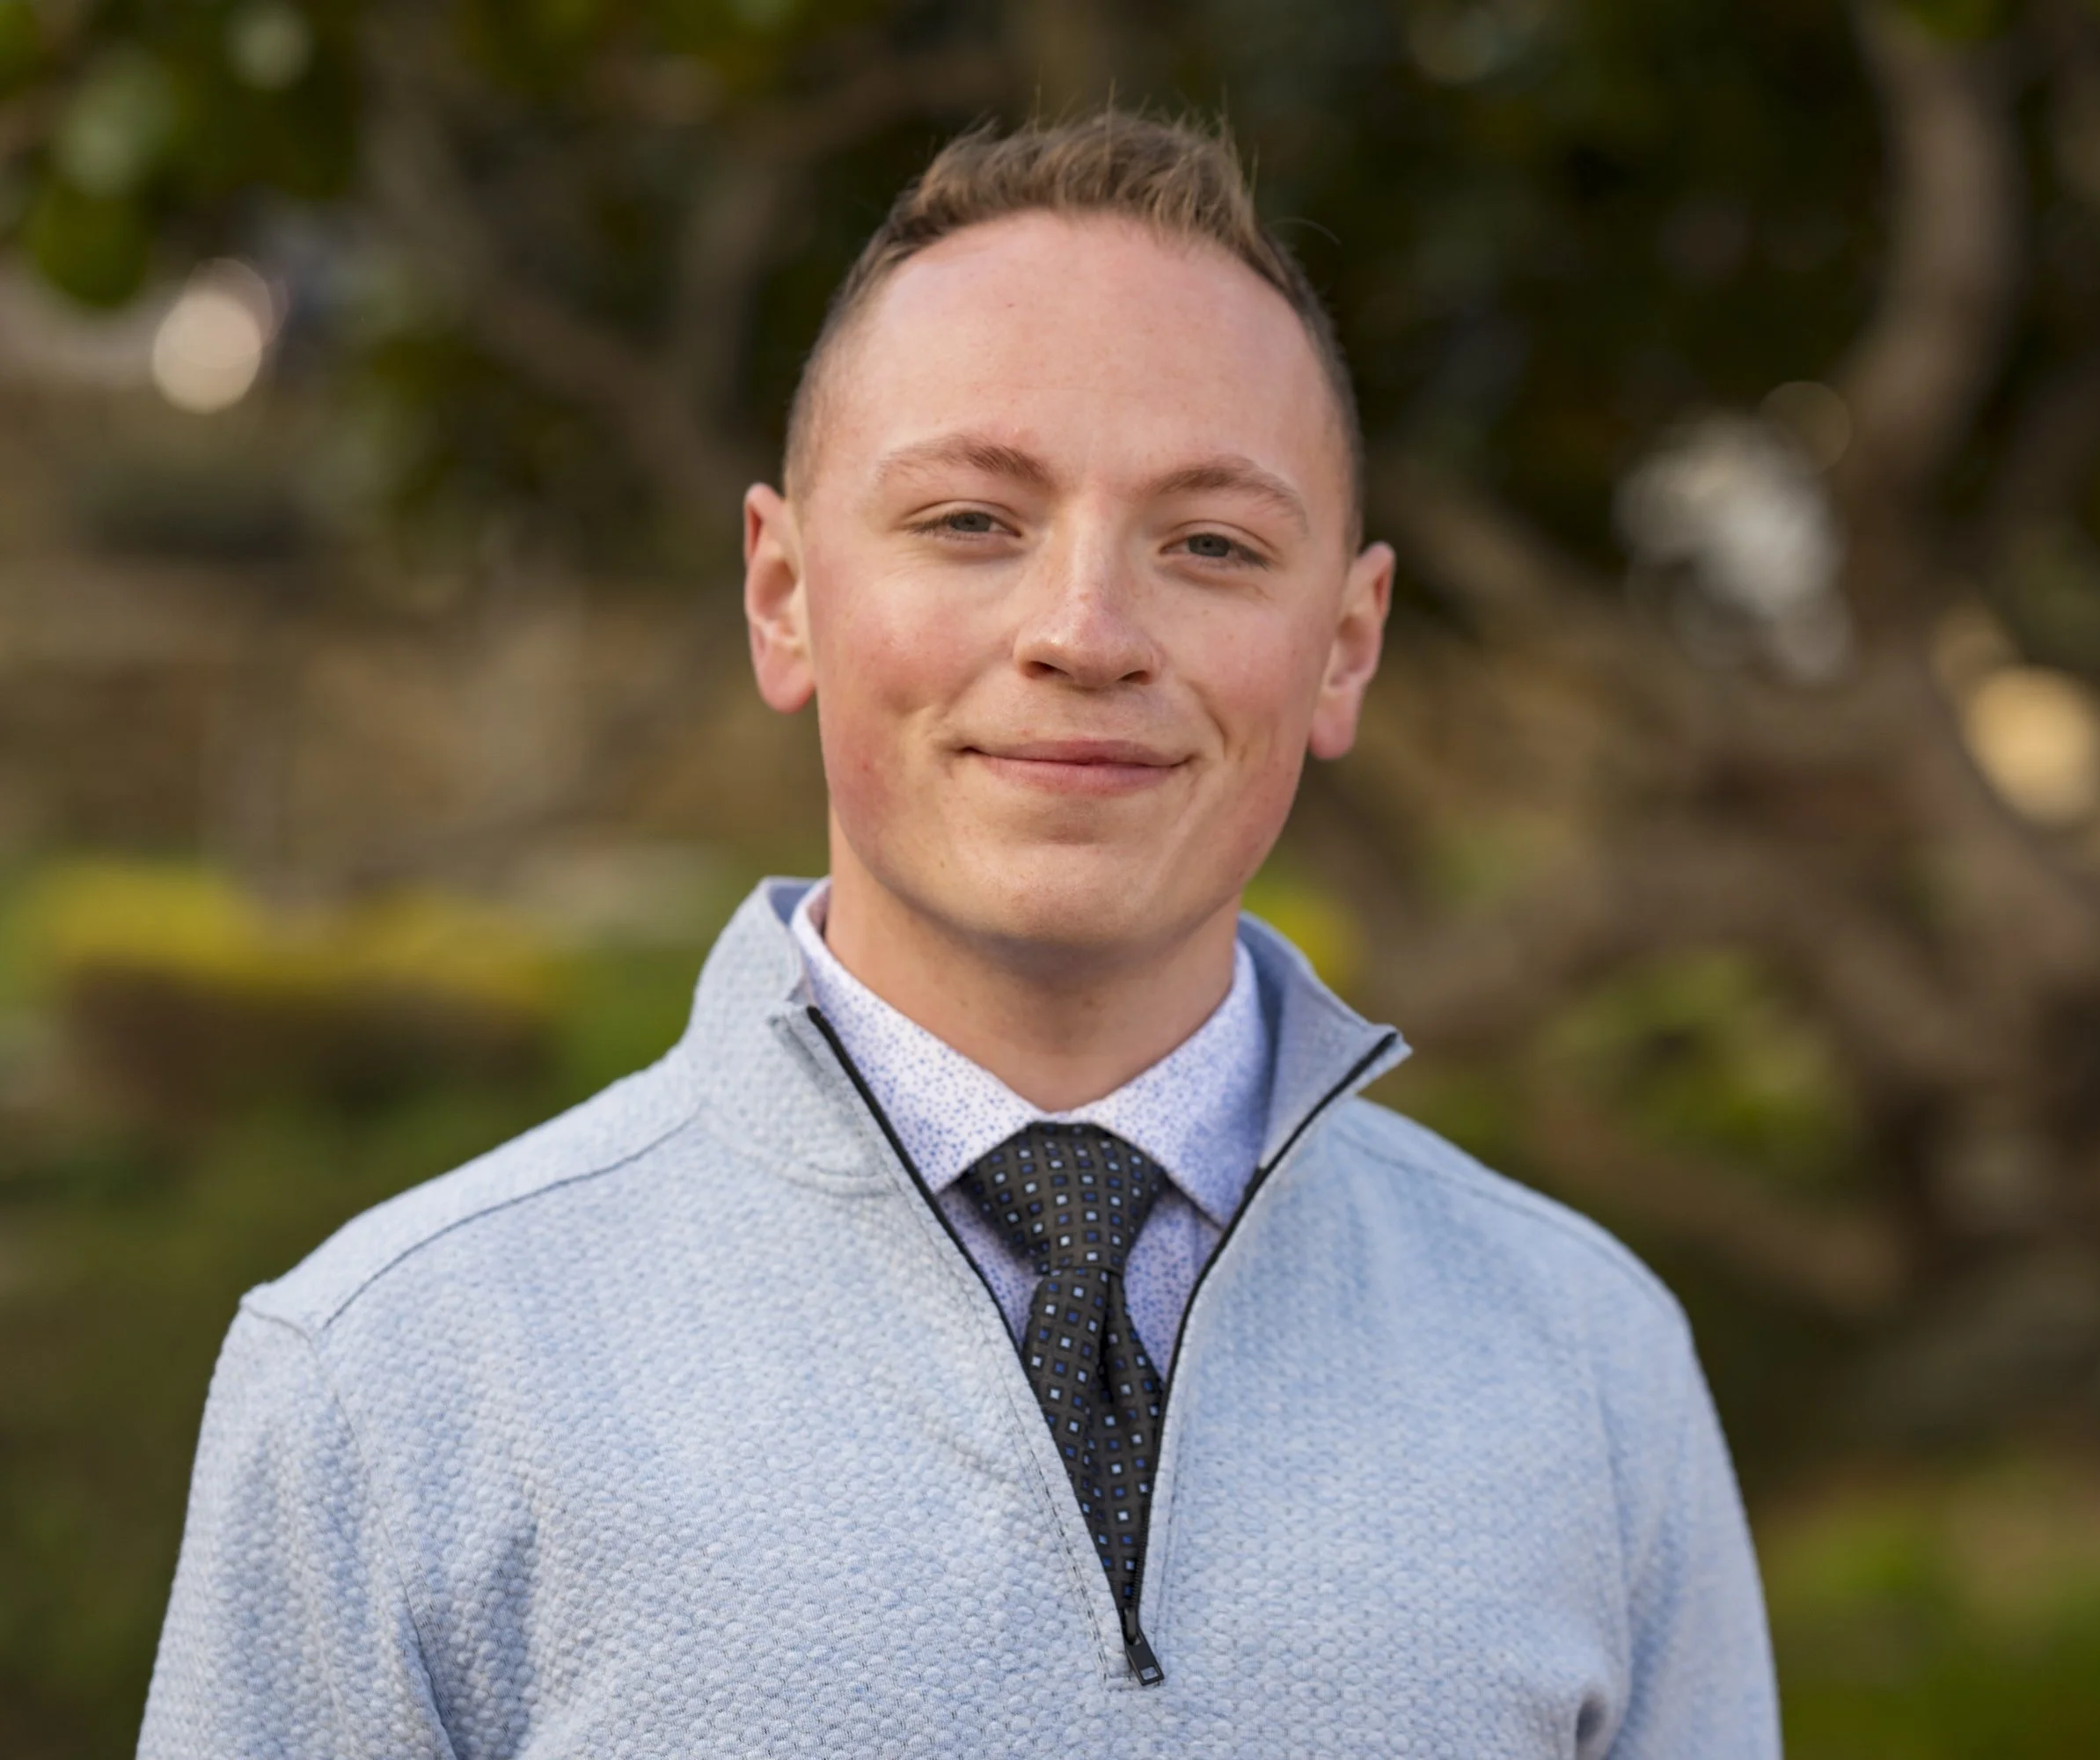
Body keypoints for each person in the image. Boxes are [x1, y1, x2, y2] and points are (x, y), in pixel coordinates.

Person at [139, 112, 1780, 1757]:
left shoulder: (1589, 1358)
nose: (1085, 632)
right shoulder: (386, 1378)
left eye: (1211, 543)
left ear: (1345, 648)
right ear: (784, 595)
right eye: (971, 523)